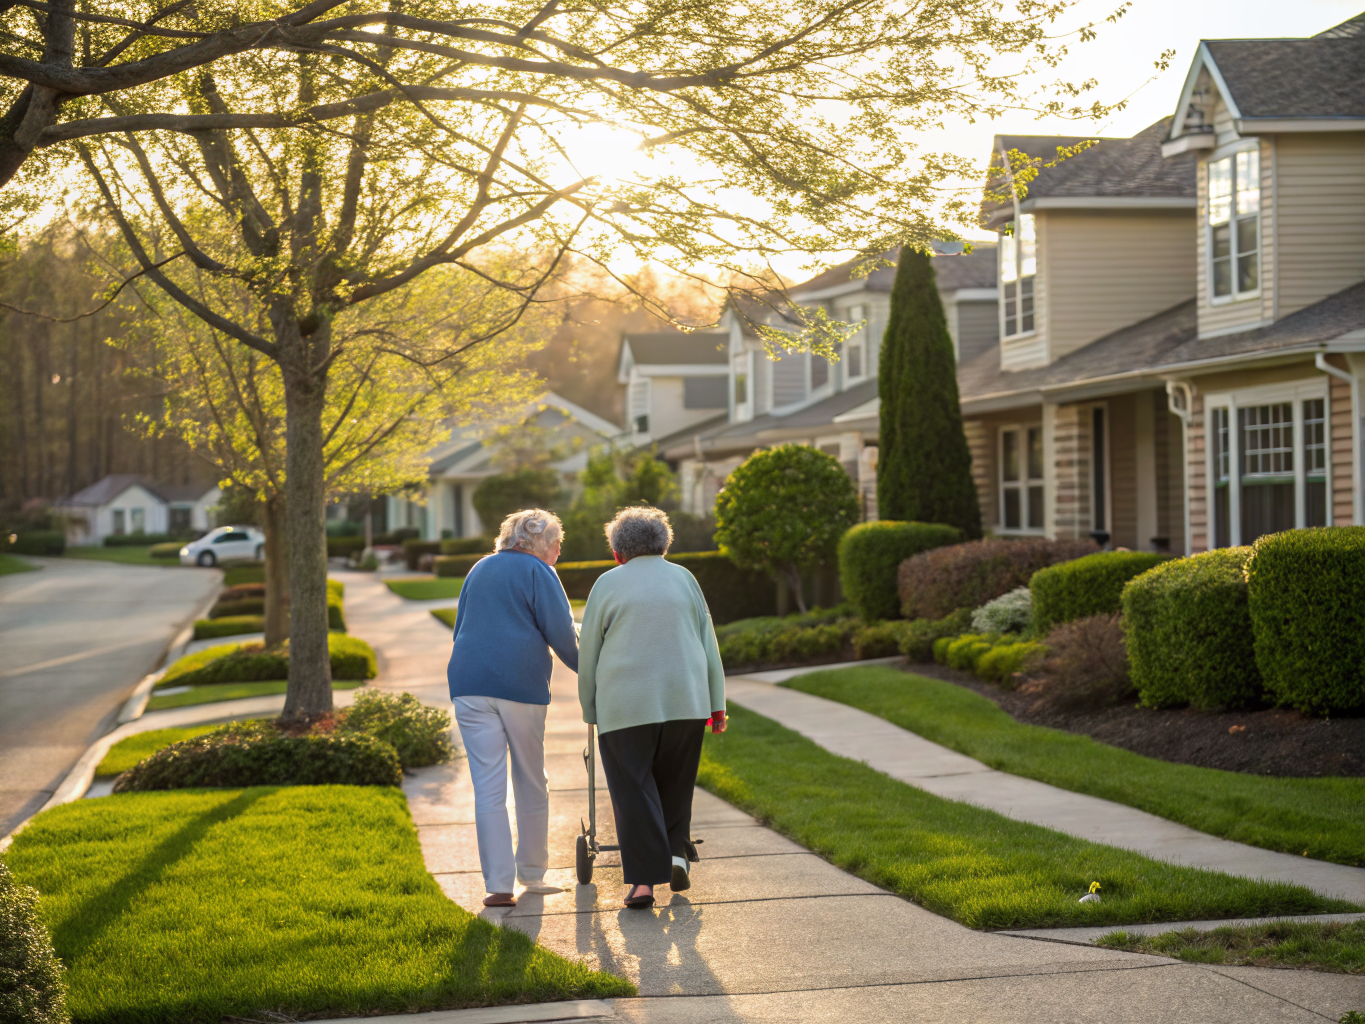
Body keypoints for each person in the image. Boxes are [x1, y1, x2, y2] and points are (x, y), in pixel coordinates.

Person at [577, 506, 727, 909]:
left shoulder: (607, 584)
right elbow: (707, 642)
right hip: (687, 701)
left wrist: (590, 707)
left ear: (618, 552)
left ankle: (644, 883)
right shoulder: (685, 578)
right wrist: (717, 705)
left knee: (633, 791)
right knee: (676, 784)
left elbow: (589, 651)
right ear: (663, 545)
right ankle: (677, 856)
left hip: (624, 706)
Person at [447, 508, 578, 908]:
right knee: (530, 777)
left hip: (468, 683)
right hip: (519, 685)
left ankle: (499, 887)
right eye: (556, 542)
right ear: (539, 543)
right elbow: (562, 634)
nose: (559, 550)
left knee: (487, 787)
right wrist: (592, 670)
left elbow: (461, 627)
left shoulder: (479, 568)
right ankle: (533, 875)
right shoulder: (539, 571)